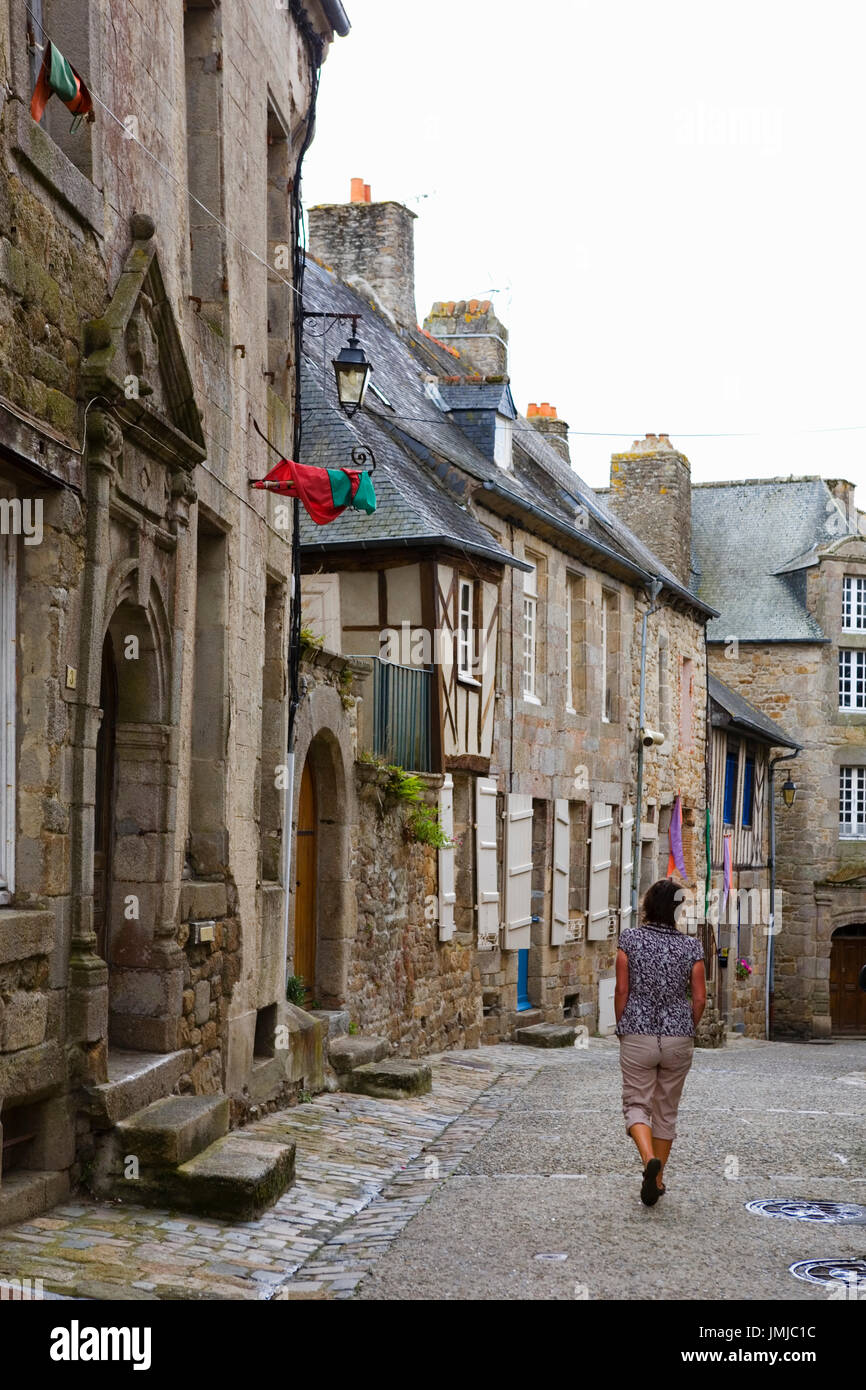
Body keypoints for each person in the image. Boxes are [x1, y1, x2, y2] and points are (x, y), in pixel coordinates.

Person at [615, 877, 706, 1206]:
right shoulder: (692, 947)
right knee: (666, 1110)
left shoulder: (630, 939)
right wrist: (687, 1027)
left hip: (638, 1033)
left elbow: (622, 990)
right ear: (678, 910)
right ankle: (659, 1177)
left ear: (648, 906)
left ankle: (647, 1161)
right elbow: (699, 998)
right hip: (678, 1037)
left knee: (637, 1104)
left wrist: (623, 1025)